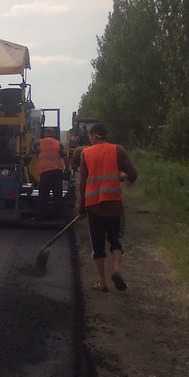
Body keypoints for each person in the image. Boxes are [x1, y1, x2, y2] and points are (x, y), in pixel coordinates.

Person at [76, 123, 137, 292]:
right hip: (113, 204)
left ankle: (102, 282)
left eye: (90, 137)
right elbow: (133, 174)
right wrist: (123, 178)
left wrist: (81, 208)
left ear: (94, 135)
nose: (89, 139)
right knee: (115, 239)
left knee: (98, 245)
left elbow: (83, 185)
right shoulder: (118, 150)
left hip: (94, 206)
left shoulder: (86, 153)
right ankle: (117, 269)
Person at [32, 128, 69, 220]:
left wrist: (23, 157)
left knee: (43, 195)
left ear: (44, 134)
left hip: (45, 173)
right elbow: (65, 158)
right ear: (53, 135)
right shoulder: (58, 143)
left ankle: (40, 217)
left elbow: (31, 152)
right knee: (57, 195)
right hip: (57, 173)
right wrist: (68, 168)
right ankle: (58, 217)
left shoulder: (38, 143)